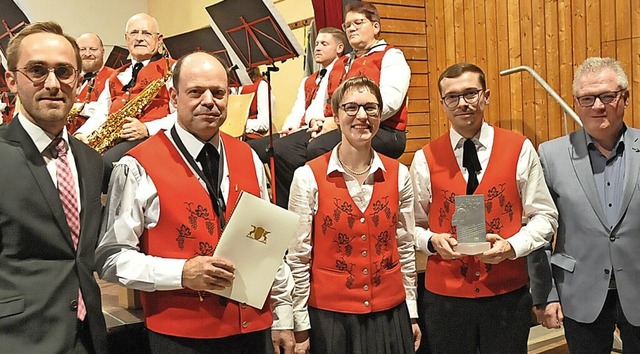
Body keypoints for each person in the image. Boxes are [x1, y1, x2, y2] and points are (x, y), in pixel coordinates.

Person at [95, 51, 294, 354]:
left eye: (218, 92)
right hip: (182, 336)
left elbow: (267, 245)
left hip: (253, 329)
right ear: (174, 97)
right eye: (196, 92)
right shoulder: (136, 165)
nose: (209, 101)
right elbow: (110, 258)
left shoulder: (249, 157)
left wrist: (283, 316)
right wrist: (182, 274)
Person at [410, 62, 558, 354]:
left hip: (506, 296)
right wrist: (430, 241)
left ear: (486, 96)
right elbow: (409, 226)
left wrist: (512, 247)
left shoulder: (519, 148)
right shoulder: (425, 158)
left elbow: (545, 216)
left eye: (470, 93)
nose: (462, 103)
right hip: (445, 301)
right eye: (452, 97)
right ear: (442, 104)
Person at [287, 77, 421, 354]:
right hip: (331, 319)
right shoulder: (307, 176)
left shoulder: (399, 175)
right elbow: (299, 257)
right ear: (336, 116)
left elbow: (405, 248)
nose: (362, 116)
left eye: (371, 108)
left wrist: (412, 311)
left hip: (389, 313)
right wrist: (300, 324)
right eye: (351, 108)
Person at [0, 21, 107, 353]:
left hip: (88, 338)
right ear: (11, 81)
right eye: (37, 70)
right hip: (17, 337)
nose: (52, 83)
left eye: (64, 71)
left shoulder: (91, 161)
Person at [528, 57, 640, 354]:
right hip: (578, 292)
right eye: (587, 98)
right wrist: (546, 294)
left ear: (625, 98)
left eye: (607, 96)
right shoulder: (551, 156)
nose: (598, 106)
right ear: (576, 102)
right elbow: (539, 230)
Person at [271, 3, 410, 209]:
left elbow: (389, 102)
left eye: (358, 23)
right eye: (347, 25)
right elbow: (325, 101)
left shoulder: (391, 56)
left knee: (318, 148)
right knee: (283, 149)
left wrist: (337, 123)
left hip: (383, 130)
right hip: (344, 125)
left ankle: (336, 210)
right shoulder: (342, 62)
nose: (351, 28)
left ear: (375, 27)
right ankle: (294, 215)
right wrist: (317, 121)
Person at [248, 27, 346, 206]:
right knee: (249, 149)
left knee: (281, 150)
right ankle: (262, 205)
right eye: (316, 44)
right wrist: (289, 128)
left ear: (339, 48)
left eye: (324, 44)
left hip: (321, 127)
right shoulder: (309, 80)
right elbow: (298, 108)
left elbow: (325, 110)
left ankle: (291, 205)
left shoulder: (343, 71)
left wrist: (308, 124)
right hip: (301, 127)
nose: (317, 48)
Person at [75, 13, 174, 185]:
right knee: (74, 160)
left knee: (100, 167)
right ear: (126, 38)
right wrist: (82, 135)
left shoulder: (173, 69)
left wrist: (146, 129)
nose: (139, 38)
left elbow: (183, 115)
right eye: (134, 33)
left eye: (147, 33)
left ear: (159, 40)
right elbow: (101, 113)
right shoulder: (116, 75)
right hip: (115, 139)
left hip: (154, 140)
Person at [67, 32, 115, 133]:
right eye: (82, 49)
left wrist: (75, 107)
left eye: (93, 49)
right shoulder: (67, 75)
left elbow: (110, 109)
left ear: (103, 51)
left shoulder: (115, 77)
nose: (88, 54)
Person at [234, 67, 272, 139]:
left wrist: (238, 124)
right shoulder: (230, 87)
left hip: (250, 138)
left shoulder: (262, 85)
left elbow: (264, 124)